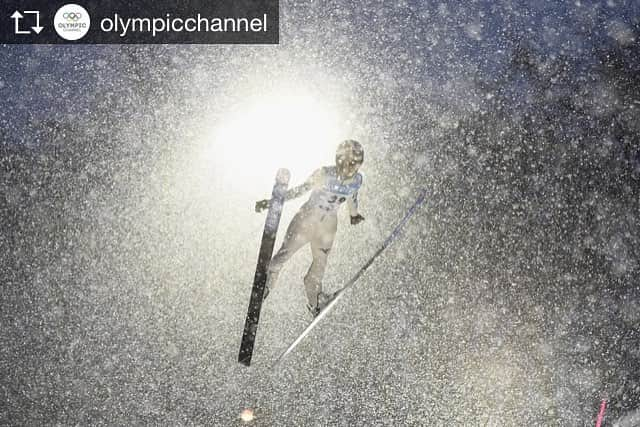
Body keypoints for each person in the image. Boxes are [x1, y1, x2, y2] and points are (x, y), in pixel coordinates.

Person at [255, 140, 365, 317]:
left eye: (353, 164)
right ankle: (267, 282)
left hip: (328, 225)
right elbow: (300, 190)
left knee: (320, 264)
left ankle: (315, 301)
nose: (349, 168)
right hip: (307, 218)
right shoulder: (325, 173)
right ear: (338, 160)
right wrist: (273, 202)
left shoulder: (357, 180)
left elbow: (353, 197)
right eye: (345, 162)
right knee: (286, 252)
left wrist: (354, 214)